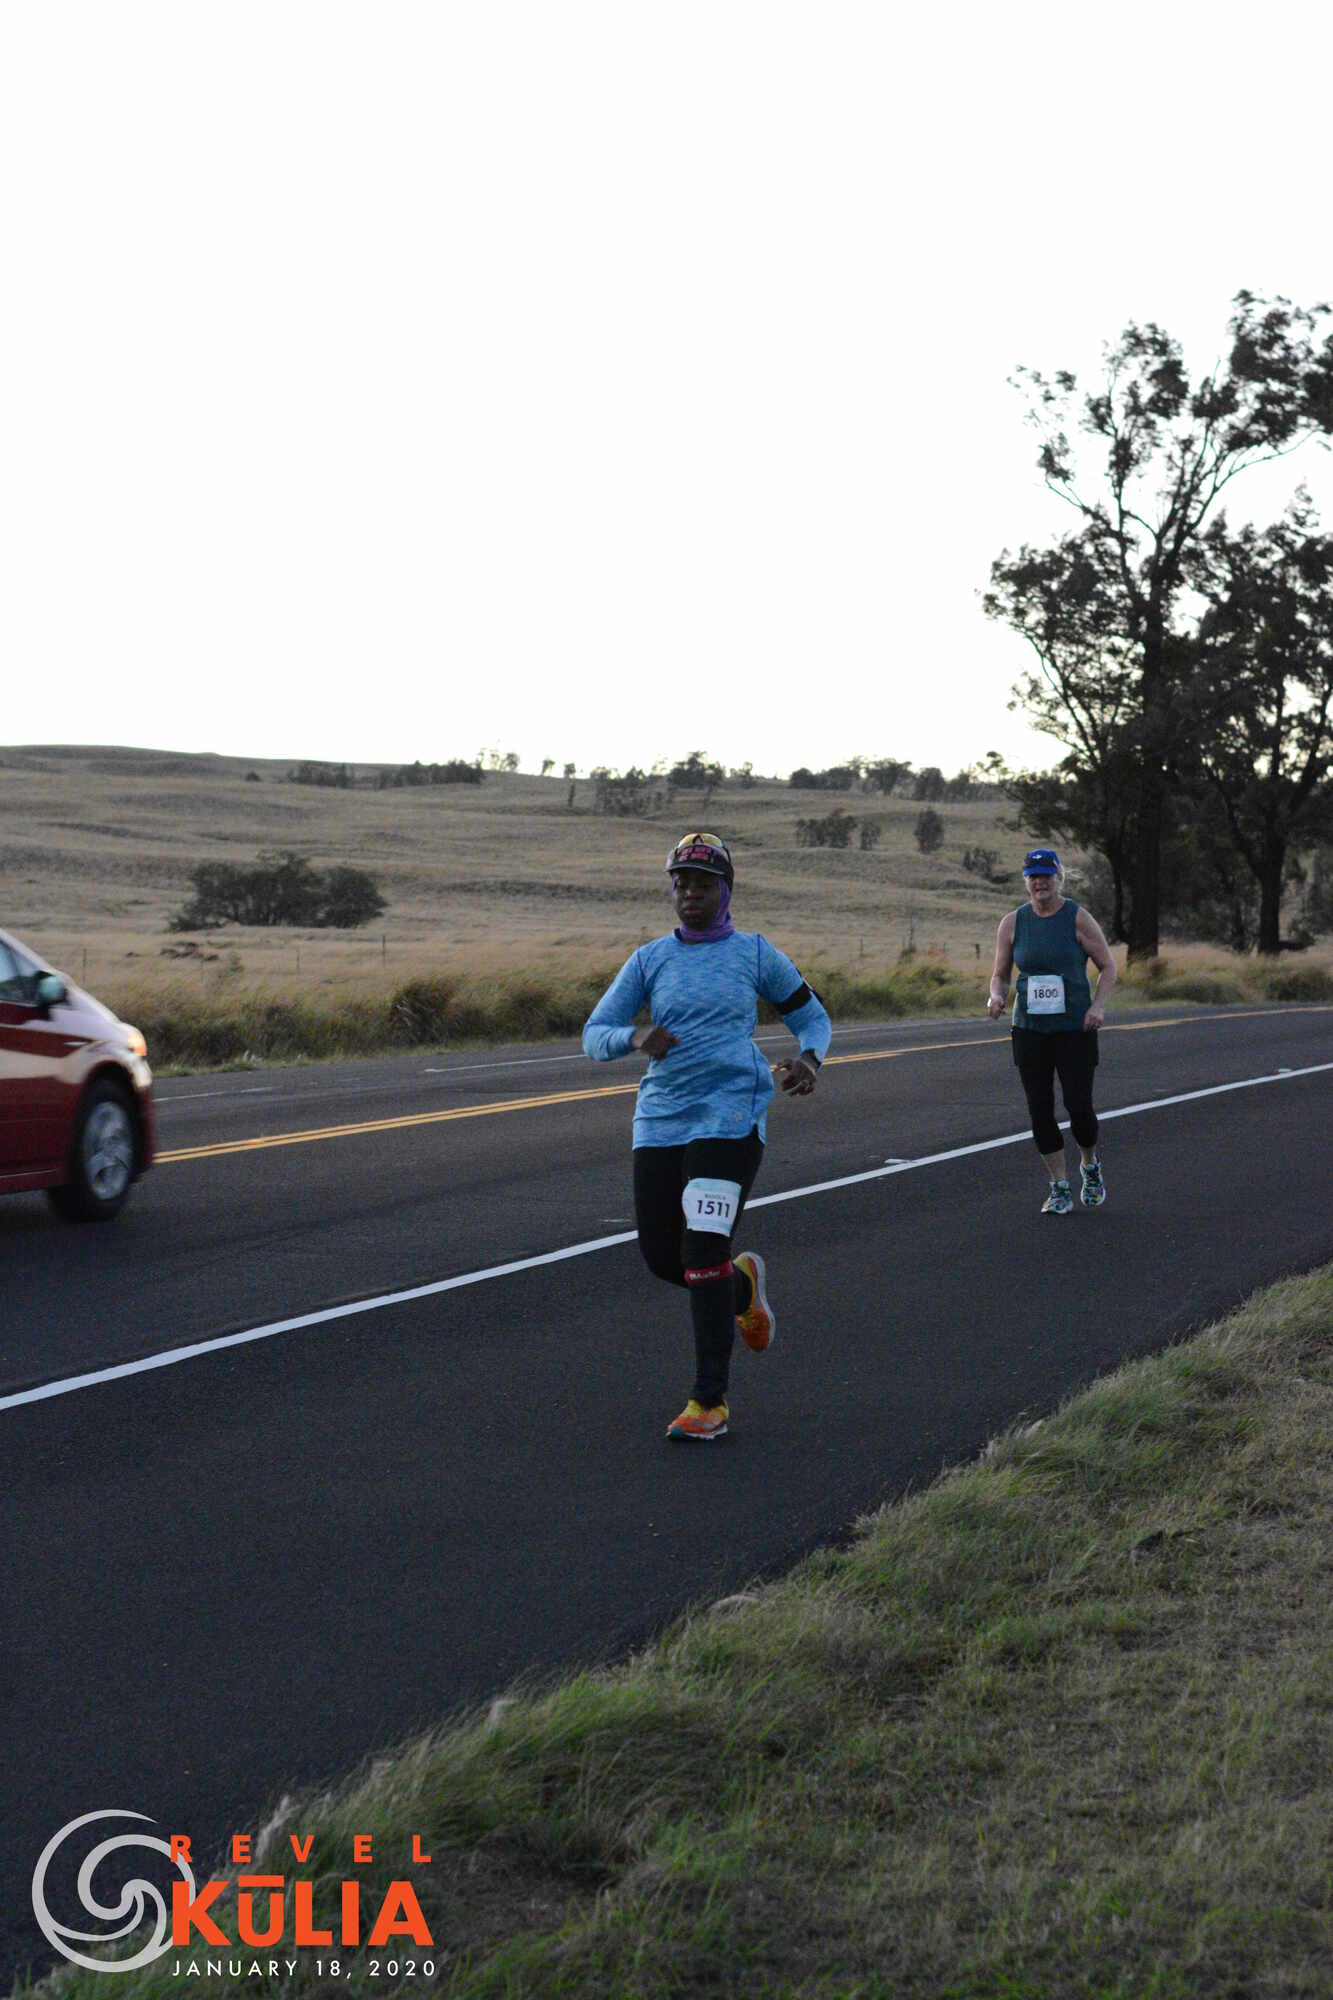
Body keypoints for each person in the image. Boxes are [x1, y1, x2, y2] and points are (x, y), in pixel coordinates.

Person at [583, 832, 831, 1440]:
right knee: (664, 1258)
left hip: (731, 1114)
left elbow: (812, 1016)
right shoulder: (649, 960)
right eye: (682, 884)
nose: (690, 894)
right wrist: (635, 1037)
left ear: (726, 891)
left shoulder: (755, 953)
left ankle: (708, 1402)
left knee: (701, 1249)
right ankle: (742, 1287)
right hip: (661, 1118)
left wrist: (809, 1059)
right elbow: (595, 1034)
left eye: (703, 884)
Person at [986, 846, 1117, 1213]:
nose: (1039, 882)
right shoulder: (1013, 923)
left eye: (1046, 875)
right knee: (1039, 1109)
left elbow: (1108, 967)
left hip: (1074, 1028)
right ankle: (1059, 1186)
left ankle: (1089, 1165)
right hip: (1029, 1029)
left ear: (1059, 878)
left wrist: (1097, 1006)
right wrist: (996, 996)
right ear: (1025, 881)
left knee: (1079, 1107)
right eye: (1033, 876)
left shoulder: (1077, 918)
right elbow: (1000, 975)